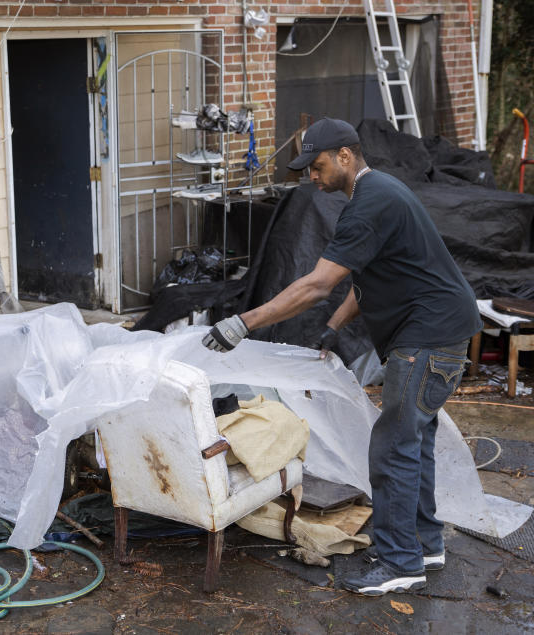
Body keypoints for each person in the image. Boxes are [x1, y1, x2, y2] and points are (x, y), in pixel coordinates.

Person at [201, 117, 481, 596]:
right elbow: (364, 281)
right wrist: (332, 331)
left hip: (428, 340)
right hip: (441, 332)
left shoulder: (369, 203)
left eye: (317, 164)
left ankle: (400, 563)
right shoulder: (378, 193)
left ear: (346, 156)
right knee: (415, 442)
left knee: (392, 447)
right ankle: (424, 543)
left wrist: (244, 322)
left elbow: (318, 284)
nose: (311, 174)